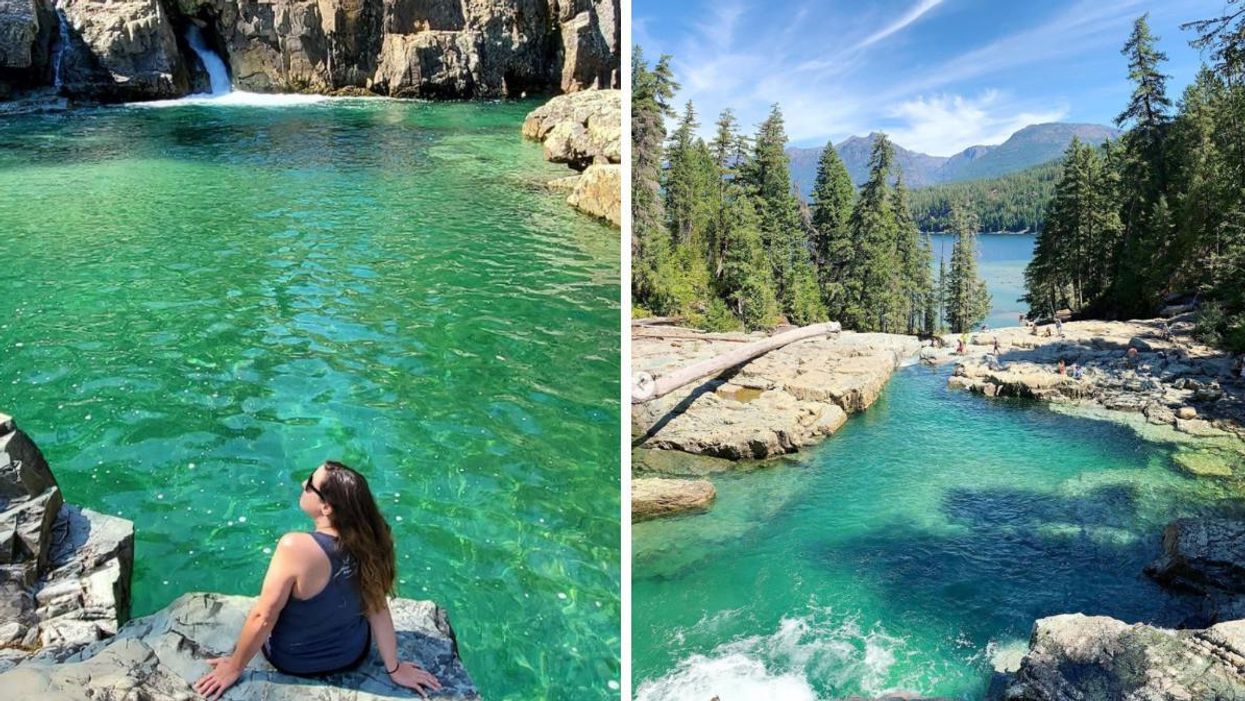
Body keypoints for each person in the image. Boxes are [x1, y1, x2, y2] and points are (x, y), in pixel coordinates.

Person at [193, 461, 442, 700]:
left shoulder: (295, 546)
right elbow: (377, 607)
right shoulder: (372, 540)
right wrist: (394, 667)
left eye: (311, 483)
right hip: (352, 655)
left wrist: (235, 667)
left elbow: (264, 617)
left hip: (293, 661)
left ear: (327, 508)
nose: (303, 482)